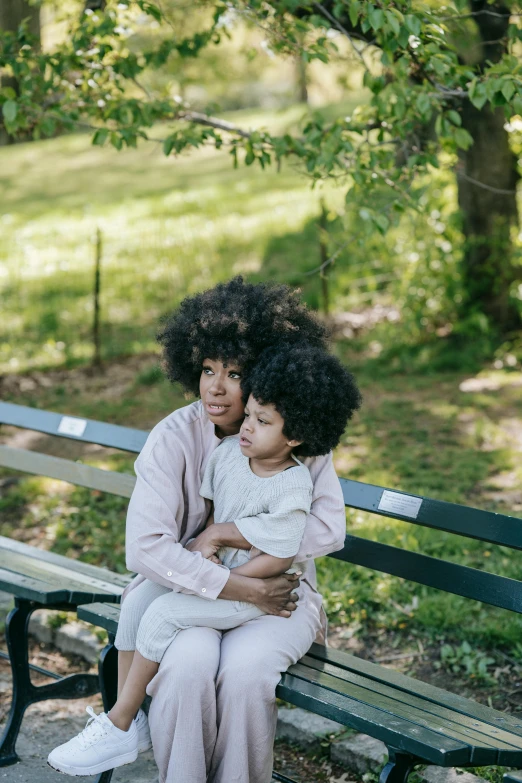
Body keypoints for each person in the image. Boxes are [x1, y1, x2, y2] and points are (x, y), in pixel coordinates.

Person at [49, 277, 362, 783]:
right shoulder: (174, 437)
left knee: (243, 676)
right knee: (187, 667)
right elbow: (147, 549)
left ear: (261, 374)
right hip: (192, 591)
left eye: (234, 373)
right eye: (207, 369)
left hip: (281, 597)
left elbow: (326, 529)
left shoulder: (294, 436)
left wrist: (234, 542)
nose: (215, 387)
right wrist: (241, 587)